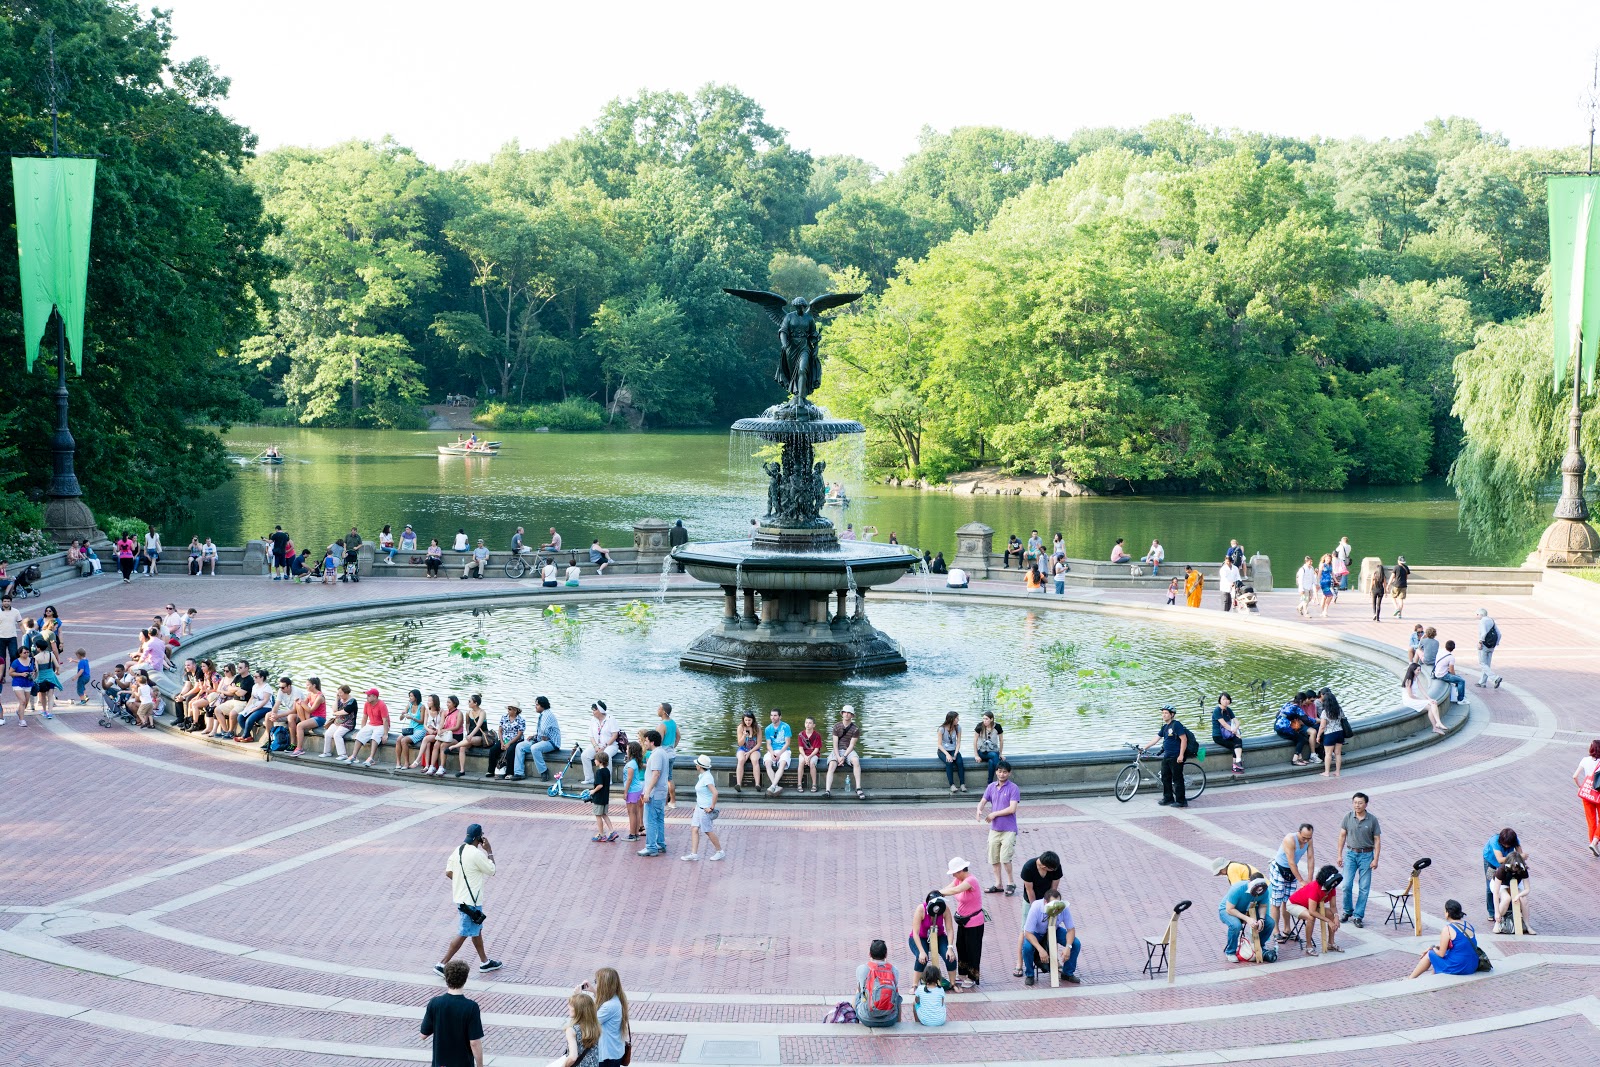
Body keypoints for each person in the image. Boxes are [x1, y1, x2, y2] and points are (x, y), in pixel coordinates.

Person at [438, 823, 501, 975]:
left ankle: (485, 962)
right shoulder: (476, 854)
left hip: (460, 898)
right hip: (471, 901)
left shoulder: (458, 850)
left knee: (476, 930)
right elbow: (492, 870)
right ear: (479, 838)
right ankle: (441, 964)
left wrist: (461, 882)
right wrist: (489, 850)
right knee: (465, 932)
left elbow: (448, 873)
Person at [420, 959, 485, 1067]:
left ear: (446, 978)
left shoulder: (435, 1003)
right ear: (465, 979)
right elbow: (474, 1042)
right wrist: (480, 1065)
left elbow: (423, 1034)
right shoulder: (471, 1007)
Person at [1337, 792, 1382, 928]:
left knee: (1364, 887)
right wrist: (1339, 854)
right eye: (1355, 802)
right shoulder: (1348, 817)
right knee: (1346, 885)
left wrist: (1376, 859)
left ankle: (1358, 915)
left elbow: (1377, 840)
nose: (1357, 805)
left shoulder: (1372, 820)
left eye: (1360, 803)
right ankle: (1347, 911)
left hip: (1366, 856)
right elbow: (1342, 836)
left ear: (1366, 804)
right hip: (1350, 854)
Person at [1019, 890, 1081, 985]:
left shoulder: (1063, 907)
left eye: (1058, 904)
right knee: (1027, 948)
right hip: (1036, 933)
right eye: (1053, 904)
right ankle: (1030, 974)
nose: (1056, 908)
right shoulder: (1036, 907)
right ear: (1045, 902)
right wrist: (1040, 950)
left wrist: (1068, 946)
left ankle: (1067, 973)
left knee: (1075, 943)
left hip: (1054, 930)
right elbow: (1027, 933)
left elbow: (1071, 929)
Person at [941, 856, 985, 987]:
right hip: (963, 922)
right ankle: (963, 974)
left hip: (974, 922)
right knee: (961, 947)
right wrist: (938, 893)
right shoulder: (958, 879)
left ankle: (972, 977)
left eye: (954, 872)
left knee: (973, 950)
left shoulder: (970, 881)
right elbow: (949, 887)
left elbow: (955, 890)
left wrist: (939, 892)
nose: (953, 875)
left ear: (961, 870)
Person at [978, 761, 1020, 895]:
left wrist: (994, 813)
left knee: (1005, 858)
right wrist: (979, 809)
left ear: (1009, 773)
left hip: (1009, 829)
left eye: (1005, 772)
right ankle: (998, 884)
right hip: (995, 829)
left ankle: (1011, 883)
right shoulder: (991, 787)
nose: (1002, 774)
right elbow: (983, 800)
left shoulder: (1013, 788)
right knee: (993, 857)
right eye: (1000, 771)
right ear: (996, 772)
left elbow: (1012, 809)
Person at [1407, 900, 1479, 978]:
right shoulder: (1468, 925)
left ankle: (1411, 978)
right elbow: (1460, 944)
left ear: (1448, 913)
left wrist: (1432, 948)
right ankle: (1433, 979)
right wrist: (1435, 947)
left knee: (1430, 954)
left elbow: (1441, 954)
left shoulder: (1448, 929)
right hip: (1472, 965)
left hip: (1459, 967)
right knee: (1442, 955)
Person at [1482, 827, 1535, 932]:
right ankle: (1493, 913)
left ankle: (1517, 918)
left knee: (1517, 896)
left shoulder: (1515, 841)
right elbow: (1499, 859)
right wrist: (1517, 857)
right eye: (1505, 844)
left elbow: (1521, 855)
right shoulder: (1494, 841)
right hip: (1492, 862)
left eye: (1508, 845)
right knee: (1490, 888)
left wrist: (1519, 857)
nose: (1506, 846)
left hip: (1510, 862)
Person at [1269, 824, 1316, 940]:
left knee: (1289, 902)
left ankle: (1287, 929)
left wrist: (1309, 880)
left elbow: (1310, 858)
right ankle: (1275, 930)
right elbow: (1291, 862)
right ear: (1298, 832)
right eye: (1303, 838)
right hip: (1280, 869)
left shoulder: (1309, 840)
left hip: (1291, 871)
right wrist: (1301, 880)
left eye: (1308, 838)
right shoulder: (1289, 839)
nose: (1305, 841)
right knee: (1277, 902)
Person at [1140, 704, 1190, 807]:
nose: (1164, 715)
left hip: (1176, 756)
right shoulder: (1165, 727)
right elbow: (1155, 739)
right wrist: (1144, 748)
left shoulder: (1176, 725)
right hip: (1167, 756)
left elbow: (1184, 739)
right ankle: (1168, 798)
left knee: (1177, 779)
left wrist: (1181, 755)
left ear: (1172, 714)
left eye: (1166, 713)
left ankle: (1181, 801)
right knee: (1165, 777)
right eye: (1162, 713)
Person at [1287, 866, 1344, 955]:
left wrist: (1336, 916)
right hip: (1295, 904)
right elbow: (1312, 911)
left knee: (1330, 914)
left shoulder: (1332, 887)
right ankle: (1308, 946)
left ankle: (1331, 943)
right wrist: (1328, 921)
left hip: (1310, 905)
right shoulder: (1315, 887)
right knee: (1311, 917)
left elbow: (1333, 906)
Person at [908, 890, 957, 985]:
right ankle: (914, 985)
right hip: (920, 937)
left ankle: (953, 983)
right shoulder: (921, 909)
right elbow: (915, 933)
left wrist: (950, 948)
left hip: (938, 936)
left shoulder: (944, 909)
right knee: (922, 958)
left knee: (950, 958)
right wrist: (921, 951)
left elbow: (950, 929)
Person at [1220, 875, 1274, 961]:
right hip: (1227, 910)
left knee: (1270, 922)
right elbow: (1229, 909)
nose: (1258, 891)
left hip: (1248, 909)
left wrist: (1261, 919)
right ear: (1249, 882)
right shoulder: (1238, 888)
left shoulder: (1264, 891)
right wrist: (1247, 919)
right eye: (1256, 888)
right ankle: (1230, 952)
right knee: (1236, 925)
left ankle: (1259, 946)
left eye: (1260, 889)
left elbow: (1263, 906)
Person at [683, 753, 725, 861]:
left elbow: (715, 793)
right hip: (699, 807)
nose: (695, 765)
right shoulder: (702, 776)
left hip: (705, 809)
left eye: (697, 764)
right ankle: (694, 854)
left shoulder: (707, 778)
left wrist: (711, 807)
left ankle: (720, 851)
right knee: (694, 828)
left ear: (700, 766)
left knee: (708, 831)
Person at [854, 939, 902, 1028]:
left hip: (867, 1019)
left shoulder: (862, 969)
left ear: (869, 954)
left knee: (858, 991)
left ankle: (855, 1021)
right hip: (890, 1020)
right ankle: (898, 1022)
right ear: (886, 955)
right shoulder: (894, 970)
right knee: (897, 994)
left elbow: (861, 992)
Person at [589, 967, 630, 1066]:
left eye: (596, 981)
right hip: (615, 1051)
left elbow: (590, 1021)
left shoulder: (609, 1006)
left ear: (604, 984)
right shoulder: (617, 997)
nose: (595, 984)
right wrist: (594, 991)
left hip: (608, 1056)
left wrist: (577, 998)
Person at [638, 728, 669, 857]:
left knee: (650, 820)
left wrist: (647, 792)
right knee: (659, 819)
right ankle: (660, 843)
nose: (644, 743)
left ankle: (651, 847)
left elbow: (656, 774)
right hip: (661, 792)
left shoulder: (655, 754)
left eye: (646, 741)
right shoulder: (663, 752)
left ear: (651, 742)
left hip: (654, 793)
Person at [547, 990, 599, 1067]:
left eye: (572, 1005)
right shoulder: (595, 1027)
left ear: (579, 1009)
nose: (569, 1006)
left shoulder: (571, 1030)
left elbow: (573, 1057)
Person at [515, 696, 560, 780]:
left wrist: (541, 737)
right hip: (542, 739)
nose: (535, 706)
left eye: (537, 705)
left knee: (534, 748)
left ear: (542, 705)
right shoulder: (543, 714)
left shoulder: (547, 714)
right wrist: (535, 736)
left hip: (552, 742)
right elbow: (542, 732)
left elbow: (544, 731)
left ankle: (544, 771)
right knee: (520, 746)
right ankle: (519, 773)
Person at [826, 705, 865, 799]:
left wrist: (844, 757)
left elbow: (852, 745)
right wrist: (838, 756)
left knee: (856, 761)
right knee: (832, 765)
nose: (847, 714)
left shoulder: (855, 729)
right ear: (842, 714)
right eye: (845, 712)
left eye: (849, 713)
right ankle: (827, 790)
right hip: (837, 749)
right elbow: (835, 744)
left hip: (849, 750)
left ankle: (858, 788)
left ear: (852, 716)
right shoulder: (836, 726)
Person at [347, 687, 390, 767]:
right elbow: (364, 718)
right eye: (367, 695)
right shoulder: (366, 704)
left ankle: (371, 758)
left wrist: (385, 734)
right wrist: (361, 730)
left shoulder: (382, 705)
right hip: (371, 724)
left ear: (375, 697)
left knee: (375, 737)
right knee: (360, 735)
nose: (367, 697)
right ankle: (353, 756)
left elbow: (385, 720)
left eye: (369, 695)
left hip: (381, 725)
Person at [1400, 661, 1445, 733]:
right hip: (1409, 700)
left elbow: (1422, 690)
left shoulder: (1416, 678)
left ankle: (1435, 727)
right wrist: (1424, 700)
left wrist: (1429, 699)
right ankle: (1438, 723)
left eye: (1419, 670)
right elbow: (1410, 695)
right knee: (1433, 704)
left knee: (1432, 706)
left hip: (1414, 698)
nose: (1419, 671)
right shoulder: (1408, 681)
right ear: (1413, 670)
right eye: (1418, 670)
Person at [583, 700, 620, 786]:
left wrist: (604, 747)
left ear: (600, 710)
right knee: (584, 756)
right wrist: (596, 746)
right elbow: (591, 736)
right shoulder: (593, 720)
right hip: (596, 745)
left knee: (606, 755)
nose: (593, 712)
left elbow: (615, 735)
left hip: (610, 745)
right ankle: (589, 778)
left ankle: (608, 779)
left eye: (594, 710)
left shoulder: (611, 719)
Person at [485, 704, 525, 780]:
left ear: (515, 710)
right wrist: (502, 742)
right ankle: (491, 770)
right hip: (504, 739)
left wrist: (509, 743)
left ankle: (510, 772)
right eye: (508, 709)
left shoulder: (521, 720)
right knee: (493, 750)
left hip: (515, 740)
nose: (508, 711)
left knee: (510, 751)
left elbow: (519, 735)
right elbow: (500, 731)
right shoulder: (504, 717)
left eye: (510, 709)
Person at [1575, 739, 1600, 858]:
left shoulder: (1585, 760)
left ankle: (1593, 846)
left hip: (1587, 795)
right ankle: (1595, 841)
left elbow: (1574, 776)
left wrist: (1581, 786)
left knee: (1591, 821)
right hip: (1598, 794)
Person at [1316, 688, 1349, 777]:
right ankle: (1337, 772)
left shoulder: (1325, 712)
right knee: (1338, 753)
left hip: (1329, 734)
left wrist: (1318, 736)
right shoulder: (1339, 709)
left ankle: (1327, 772)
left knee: (1328, 754)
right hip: (1340, 732)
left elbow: (1322, 726)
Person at [762, 707, 793, 796]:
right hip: (772, 750)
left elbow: (787, 743)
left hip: (784, 750)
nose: (773, 717)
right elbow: (768, 744)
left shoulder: (786, 726)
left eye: (775, 715)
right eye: (771, 715)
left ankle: (772, 786)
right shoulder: (768, 729)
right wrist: (772, 753)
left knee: (782, 763)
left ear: (780, 717)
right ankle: (776, 786)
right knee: (767, 763)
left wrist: (779, 753)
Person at [1211, 693, 1244, 774]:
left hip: (1229, 733)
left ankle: (1238, 761)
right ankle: (1236, 765)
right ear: (1220, 701)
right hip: (1219, 736)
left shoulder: (1228, 710)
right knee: (1234, 746)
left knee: (1238, 740)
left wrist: (1236, 729)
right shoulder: (1217, 711)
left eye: (1227, 699)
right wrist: (1235, 732)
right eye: (1223, 699)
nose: (1226, 701)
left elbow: (1237, 721)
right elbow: (1224, 725)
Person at [936, 710, 966, 793]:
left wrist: (956, 753)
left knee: (959, 762)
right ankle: (952, 785)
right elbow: (939, 745)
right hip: (943, 751)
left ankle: (962, 784)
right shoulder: (941, 729)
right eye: (957, 718)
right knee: (949, 762)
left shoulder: (958, 727)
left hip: (953, 750)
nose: (958, 720)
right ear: (952, 719)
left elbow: (958, 741)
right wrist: (947, 755)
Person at [590, 751, 616, 843]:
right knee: (604, 815)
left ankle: (601, 834)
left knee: (598, 816)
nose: (594, 761)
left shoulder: (599, 772)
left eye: (595, 760)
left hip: (599, 798)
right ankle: (612, 831)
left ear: (600, 761)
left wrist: (593, 791)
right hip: (605, 798)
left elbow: (600, 785)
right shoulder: (607, 771)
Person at [1475, 608, 1503, 689]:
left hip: (1484, 645)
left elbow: (1483, 633)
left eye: (1477, 614)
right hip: (1492, 645)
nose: (1476, 616)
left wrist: (1480, 642)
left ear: (1481, 614)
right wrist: (1496, 643)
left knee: (1482, 663)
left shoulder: (1482, 621)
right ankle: (1482, 682)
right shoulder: (1491, 620)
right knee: (1487, 664)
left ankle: (1495, 678)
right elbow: (1499, 633)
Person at [733, 710, 761, 792]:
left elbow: (759, 744)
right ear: (743, 720)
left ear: (753, 720)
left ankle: (757, 784)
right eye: (746, 720)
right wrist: (744, 736)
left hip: (754, 749)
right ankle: (738, 784)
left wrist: (750, 752)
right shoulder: (740, 727)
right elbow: (740, 744)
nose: (748, 722)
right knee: (741, 760)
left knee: (755, 760)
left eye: (749, 720)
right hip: (743, 748)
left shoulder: (757, 727)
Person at [1434, 639, 1468, 705]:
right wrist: (1454, 676)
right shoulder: (1451, 657)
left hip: (1437, 672)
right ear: (1453, 648)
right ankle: (1460, 699)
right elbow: (1451, 670)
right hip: (1443, 675)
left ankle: (1460, 694)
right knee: (1461, 681)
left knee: (1459, 678)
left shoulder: (1440, 652)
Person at [973, 710, 1005, 782]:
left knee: (991, 762)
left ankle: (990, 783)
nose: (984, 721)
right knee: (994, 755)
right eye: (983, 718)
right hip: (982, 752)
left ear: (991, 719)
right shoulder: (979, 726)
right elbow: (975, 740)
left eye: (986, 719)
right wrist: (976, 755)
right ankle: (1000, 778)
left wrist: (1000, 753)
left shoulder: (997, 726)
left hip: (994, 750)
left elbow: (1001, 740)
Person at [795, 716, 823, 792]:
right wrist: (805, 756)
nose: (808, 725)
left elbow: (817, 749)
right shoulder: (801, 734)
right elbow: (800, 748)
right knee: (801, 762)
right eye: (806, 723)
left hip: (813, 754)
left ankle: (814, 784)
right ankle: (799, 784)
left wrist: (809, 757)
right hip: (804, 753)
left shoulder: (817, 735)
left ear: (814, 725)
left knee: (812, 763)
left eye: (810, 723)